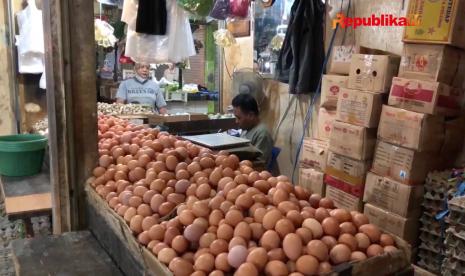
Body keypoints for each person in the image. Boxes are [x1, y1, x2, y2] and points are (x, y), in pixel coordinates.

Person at [232, 93, 274, 166]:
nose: (236, 121)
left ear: (251, 115)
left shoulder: (262, 133)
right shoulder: (246, 129)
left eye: (239, 118)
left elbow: (259, 164)